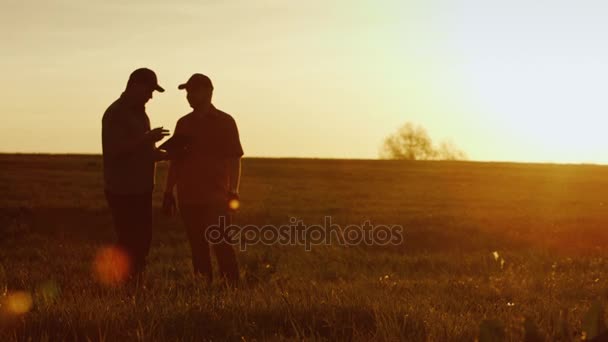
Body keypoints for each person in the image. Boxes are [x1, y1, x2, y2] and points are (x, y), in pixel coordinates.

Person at [163, 73, 243, 286]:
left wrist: (233, 191)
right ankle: (203, 290)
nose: (188, 96)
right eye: (187, 92)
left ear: (207, 92)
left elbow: (234, 159)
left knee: (223, 246)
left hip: (217, 197)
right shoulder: (184, 123)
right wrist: (168, 191)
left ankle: (232, 291)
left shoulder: (226, 122)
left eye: (192, 91)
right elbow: (176, 161)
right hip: (189, 198)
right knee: (198, 248)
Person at [102, 68, 170, 278]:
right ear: (135, 86)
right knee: (129, 240)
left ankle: (133, 282)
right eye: (149, 90)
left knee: (142, 241)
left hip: (141, 188)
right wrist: (147, 138)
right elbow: (115, 150)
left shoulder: (140, 113)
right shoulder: (116, 113)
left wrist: (168, 154)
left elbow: (143, 153)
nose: (151, 96)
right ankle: (120, 282)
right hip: (122, 189)